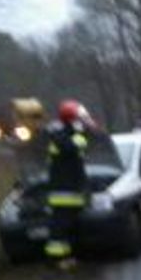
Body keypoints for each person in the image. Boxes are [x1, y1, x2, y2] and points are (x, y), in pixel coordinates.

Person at [43, 100, 94, 269]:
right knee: (60, 229)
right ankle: (57, 260)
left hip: (71, 190)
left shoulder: (65, 135)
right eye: (80, 119)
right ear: (72, 120)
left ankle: (68, 257)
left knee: (68, 229)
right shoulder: (62, 138)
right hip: (63, 192)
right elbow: (73, 146)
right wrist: (83, 132)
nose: (82, 122)